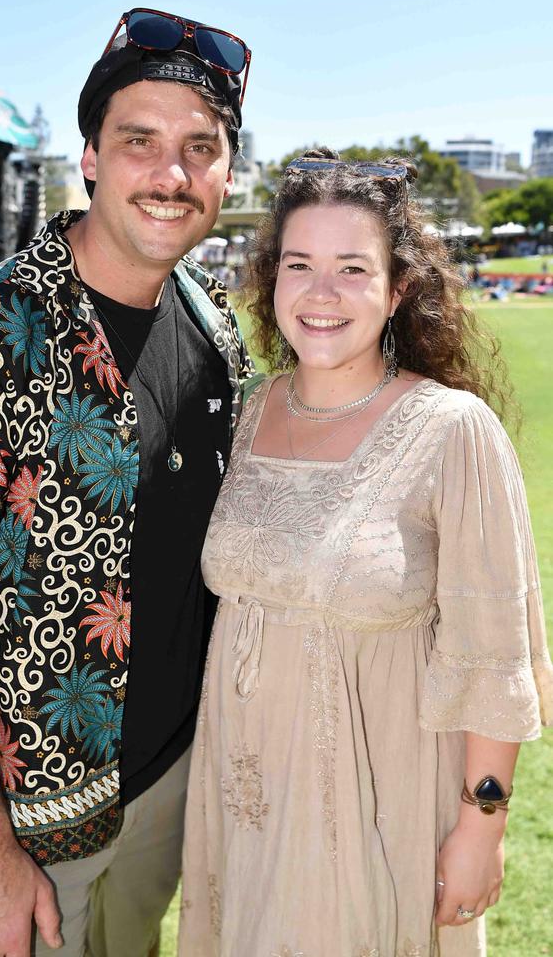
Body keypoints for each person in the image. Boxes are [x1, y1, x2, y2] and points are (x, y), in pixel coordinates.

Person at [0, 7, 254, 957]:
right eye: (139, 141)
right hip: (36, 824)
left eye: (200, 148)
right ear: (91, 156)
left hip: (179, 779)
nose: (171, 175)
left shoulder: (217, 327)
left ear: (228, 171)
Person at [178, 149, 553, 957]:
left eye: (353, 268)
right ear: (271, 278)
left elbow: (494, 657)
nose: (321, 293)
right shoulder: (253, 410)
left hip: (376, 805)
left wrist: (481, 827)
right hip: (244, 800)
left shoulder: (452, 430)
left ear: (398, 289)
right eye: (301, 265)